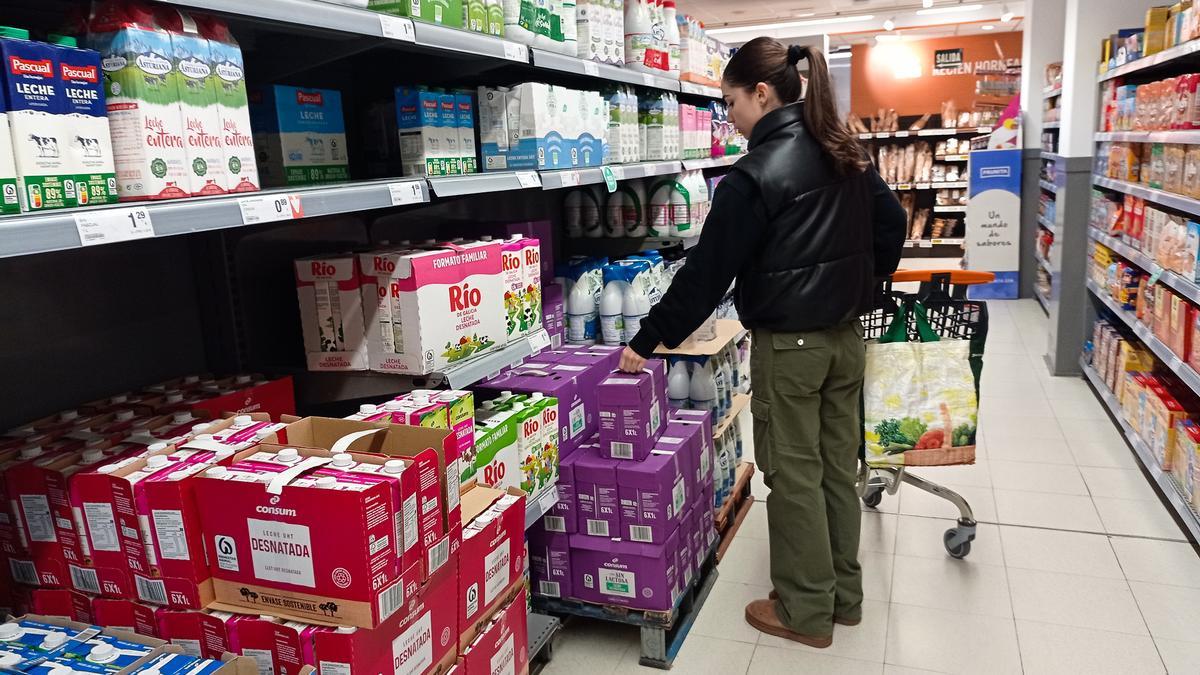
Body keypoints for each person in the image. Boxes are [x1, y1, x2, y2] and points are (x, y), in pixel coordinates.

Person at [619, 37, 907, 648]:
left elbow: (707, 273)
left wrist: (647, 339)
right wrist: (862, 277)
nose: (729, 117)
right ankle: (843, 597)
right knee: (836, 469)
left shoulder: (755, 175)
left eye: (729, 102)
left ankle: (805, 611)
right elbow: (891, 224)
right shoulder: (844, 148)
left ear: (761, 92)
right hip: (846, 339)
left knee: (794, 474)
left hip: (793, 347)